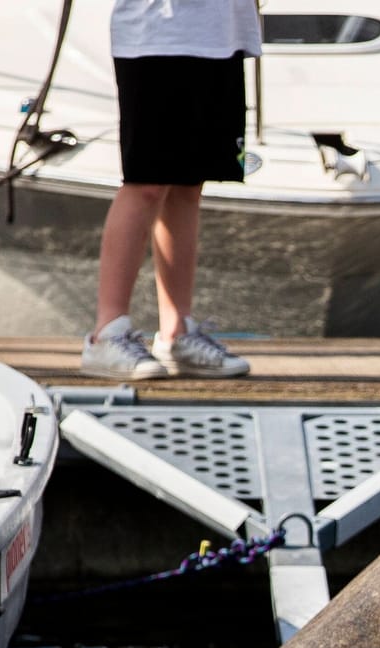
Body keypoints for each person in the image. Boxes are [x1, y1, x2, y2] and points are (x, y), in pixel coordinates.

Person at [80, 0, 258, 381]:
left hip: (220, 34)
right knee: (147, 182)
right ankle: (105, 334)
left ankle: (176, 331)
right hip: (156, 35)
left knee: (188, 184)